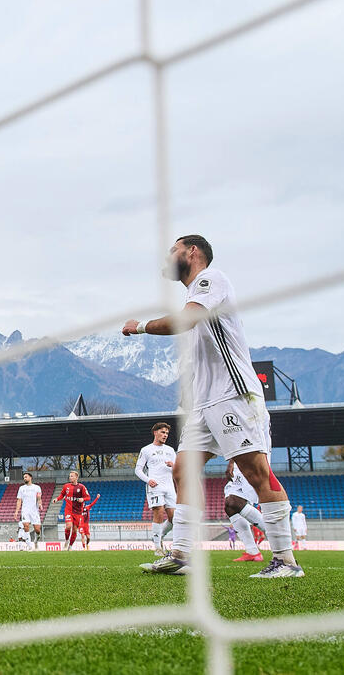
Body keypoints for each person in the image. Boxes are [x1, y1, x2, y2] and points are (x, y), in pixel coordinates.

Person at [126, 235, 303, 577]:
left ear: (192, 252)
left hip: (233, 395)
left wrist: (141, 326)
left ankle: (286, 561)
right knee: (182, 470)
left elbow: (185, 320)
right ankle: (180, 556)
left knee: (257, 473)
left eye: (172, 250)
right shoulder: (196, 294)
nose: (167, 257)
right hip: (205, 404)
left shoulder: (211, 279)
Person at [135, 422, 177, 556]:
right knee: (158, 512)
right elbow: (138, 469)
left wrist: (174, 465)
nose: (165, 435)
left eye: (167, 433)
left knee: (174, 517)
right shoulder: (146, 449)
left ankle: (160, 535)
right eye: (162, 432)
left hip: (170, 487)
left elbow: (178, 469)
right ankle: (158, 547)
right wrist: (148, 480)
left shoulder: (170, 450)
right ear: (155, 432)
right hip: (155, 486)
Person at [225, 460, 265, 562]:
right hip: (238, 463)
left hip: (248, 460)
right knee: (230, 507)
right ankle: (252, 552)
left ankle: (281, 542)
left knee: (234, 501)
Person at [55, 471, 90, 550]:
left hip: (78, 511)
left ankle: (70, 546)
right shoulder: (66, 486)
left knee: (74, 530)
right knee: (68, 526)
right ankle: (66, 541)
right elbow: (62, 495)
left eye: (72, 476)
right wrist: (56, 499)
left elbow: (88, 497)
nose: (70, 477)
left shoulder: (82, 487)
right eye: (70, 476)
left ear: (76, 477)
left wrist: (83, 499)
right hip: (68, 509)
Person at [14, 472, 43, 550]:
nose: (24, 478)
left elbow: (39, 498)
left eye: (26, 477)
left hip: (34, 511)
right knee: (26, 526)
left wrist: (40, 504)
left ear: (30, 478)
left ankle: (36, 539)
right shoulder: (21, 488)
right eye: (24, 477)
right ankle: (30, 546)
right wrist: (16, 511)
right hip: (25, 510)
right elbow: (19, 500)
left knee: (37, 529)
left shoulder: (37, 487)